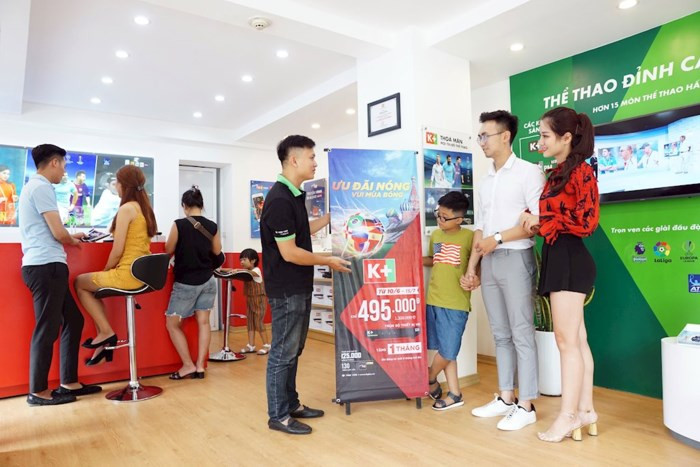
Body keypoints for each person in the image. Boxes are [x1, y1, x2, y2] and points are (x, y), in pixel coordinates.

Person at [520, 106, 600, 443]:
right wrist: (536, 221)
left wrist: (541, 221)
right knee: (576, 340)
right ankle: (586, 411)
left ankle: (568, 416)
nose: (540, 142)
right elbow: (554, 219)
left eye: (545, 135)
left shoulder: (582, 172)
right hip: (558, 256)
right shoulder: (558, 174)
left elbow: (586, 222)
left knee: (566, 341)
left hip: (570, 258)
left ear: (566, 137)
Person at [261, 134, 350, 435]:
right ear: (294, 159)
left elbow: (301, 232)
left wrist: (331, 217)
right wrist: (328, 260)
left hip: (299, 285)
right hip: (286, 289)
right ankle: (278, 415)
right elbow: (289, 252)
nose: (315, 163)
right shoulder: (279, 199)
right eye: (311, 157)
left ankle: (291, 404)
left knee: (294, 349)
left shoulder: (295, 194)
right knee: (283, 352)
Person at [462, 110, 545, 431]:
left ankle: (527, 404)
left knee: (521, 332)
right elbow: (480, 228)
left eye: (486, 135)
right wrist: (473, 268)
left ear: (506, 136)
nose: (481, 141)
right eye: (480, 136)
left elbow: (536, 221)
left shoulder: (529, 172)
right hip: (490, 261)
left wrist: (497, 239)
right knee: (500, 333)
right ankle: (507, 397)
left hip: (516, 258)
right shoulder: (485, 181)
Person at [19, 144, 101, 406]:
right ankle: (38, 392)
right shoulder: (41, 187)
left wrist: (71, 235)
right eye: (64, 164)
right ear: (54, 162)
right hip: (45, 266)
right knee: (47, 328)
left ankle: (69, 382)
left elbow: (52, 229)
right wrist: (72, 240)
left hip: (48, 265)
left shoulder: (35, 187)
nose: (65, 170)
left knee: (73, 320)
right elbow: (57, 232)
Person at [74, 165, 156, 365]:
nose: (115, 186)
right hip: (143, 275)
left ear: (123, 185)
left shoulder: (126, 209)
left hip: (127, 274)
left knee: (80, 282)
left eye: (117, 182)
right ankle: (104, 339)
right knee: (95, 289)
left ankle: (106, 332)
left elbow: (117, 251)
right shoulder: (144, 208)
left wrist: (105, 271)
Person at [164, 186, 224, 379]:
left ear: (184, 205)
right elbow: (217, 251)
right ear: (201, 204)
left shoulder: (179, 225)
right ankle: (200, 366)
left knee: (172, 324)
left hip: (186, 283)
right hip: (208, 280)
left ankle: (188, 365)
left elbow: (168, 249)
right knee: (204, 322)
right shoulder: (212, 226)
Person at [423, 191, 475, 411]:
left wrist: (476, 279)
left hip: (456, 303)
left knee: (448, 350)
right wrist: (412, 258)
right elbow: (433, 260)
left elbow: (478, 264)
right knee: (445, 349)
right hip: (434, 298)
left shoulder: (469, 237)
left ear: (459, 219)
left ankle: (429, 378)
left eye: (445, 217)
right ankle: (455, 393)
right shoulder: (436, 235)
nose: (440, 220)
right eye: (438, 214)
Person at [238, 248, 271, 356]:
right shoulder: (245, 272)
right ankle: (251, 345)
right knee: (250, 322)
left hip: (258, 300)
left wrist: (237, 271)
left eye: (244, 259)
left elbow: (250, 273)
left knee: (258, 322)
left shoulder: (256, 270)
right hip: (250, 299)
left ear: (253, 260)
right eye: (240, 260)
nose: (241, 262)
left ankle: (267, 345)